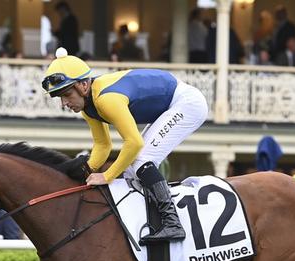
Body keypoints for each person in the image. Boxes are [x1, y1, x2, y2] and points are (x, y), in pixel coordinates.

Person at [41, 48, 208, 243]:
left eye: (67, 94)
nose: (64, 103)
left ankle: (173, 222)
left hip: (187, 104)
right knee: (130, 169)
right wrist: (84, 171)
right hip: (172, 104)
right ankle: (147, 221)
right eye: (59, 97)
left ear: (83, 85)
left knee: (141, 160)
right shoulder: (88, 107)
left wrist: (106, 176)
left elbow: (134, 142)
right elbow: (103, 145)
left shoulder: (106, 99)